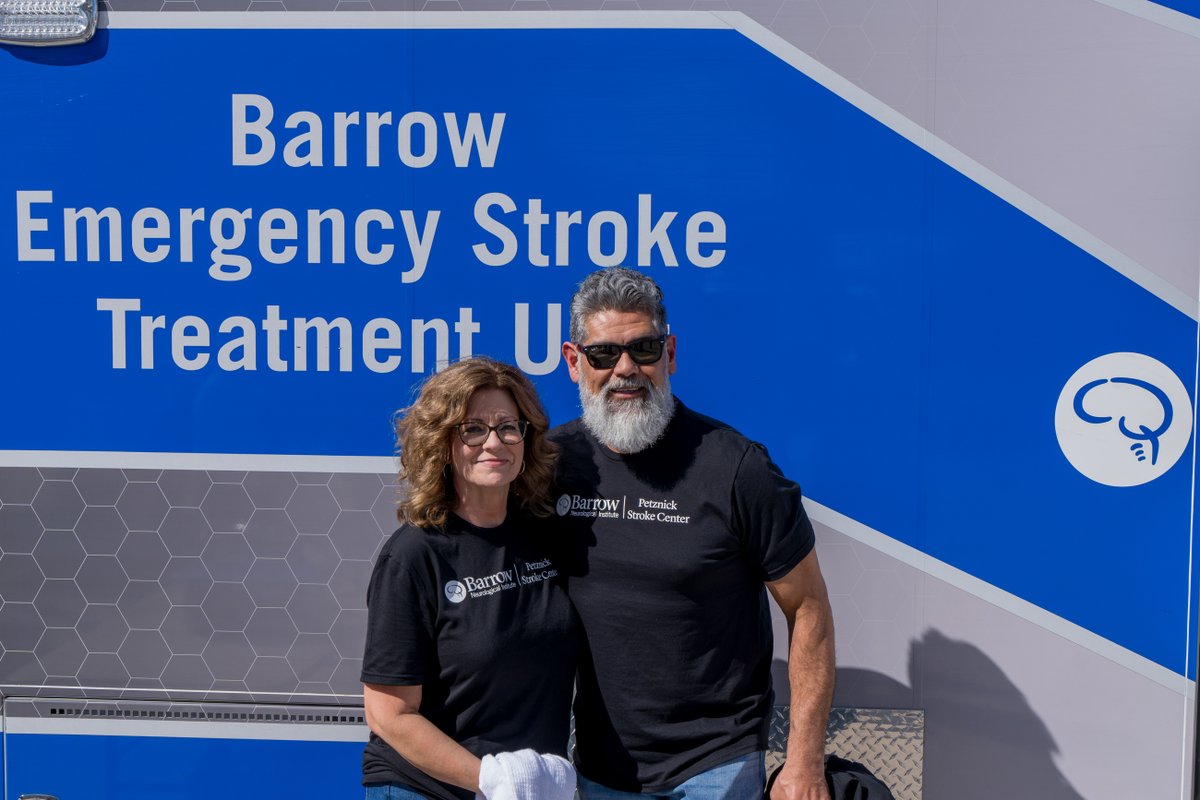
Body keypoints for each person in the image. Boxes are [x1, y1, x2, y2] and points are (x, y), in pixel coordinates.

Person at [552, 267, 836, 800]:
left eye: (645, 348)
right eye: (604, 354)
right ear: (574, 362)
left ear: (671, 353)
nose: (626, 369)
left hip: (717, 767)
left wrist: (804, 763)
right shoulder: (550, 465)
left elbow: (809, 607)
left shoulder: (737, 468)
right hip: (598, 770)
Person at [361, 357, 578, 800]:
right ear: (442, 443)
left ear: (527, 438)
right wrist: (490, 779)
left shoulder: (545, 535)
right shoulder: (414, 555)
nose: (493, 443)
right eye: (473, 429)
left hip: (528, 790)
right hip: (431, 789)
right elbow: (389, 714)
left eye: (508, 427)